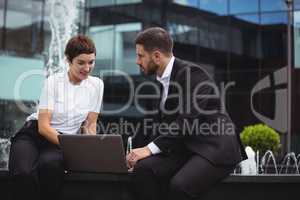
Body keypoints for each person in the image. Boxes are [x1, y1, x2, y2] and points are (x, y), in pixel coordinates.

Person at [126, 27, 246, 200]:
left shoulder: (193, 74)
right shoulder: (161, 81)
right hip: (186, 147)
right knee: (143, 170)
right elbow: (154, 123)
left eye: (140, 55)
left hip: (213, 149)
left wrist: (148, 150)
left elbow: (186, 123)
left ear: (157, 56)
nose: (137, 61)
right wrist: (132, 154)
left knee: (179, 186)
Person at [9, 35, 104, 200]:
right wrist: (73, 147)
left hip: (60, 143)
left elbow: (90, 125)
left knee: (50, 167)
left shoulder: (96, 85)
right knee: (23, 172)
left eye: (91, 62)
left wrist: (90, 153)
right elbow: (43, 127)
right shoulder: (53, 82)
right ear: (68, 60)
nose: (87, 68)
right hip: (34, 134)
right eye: (81, 62)